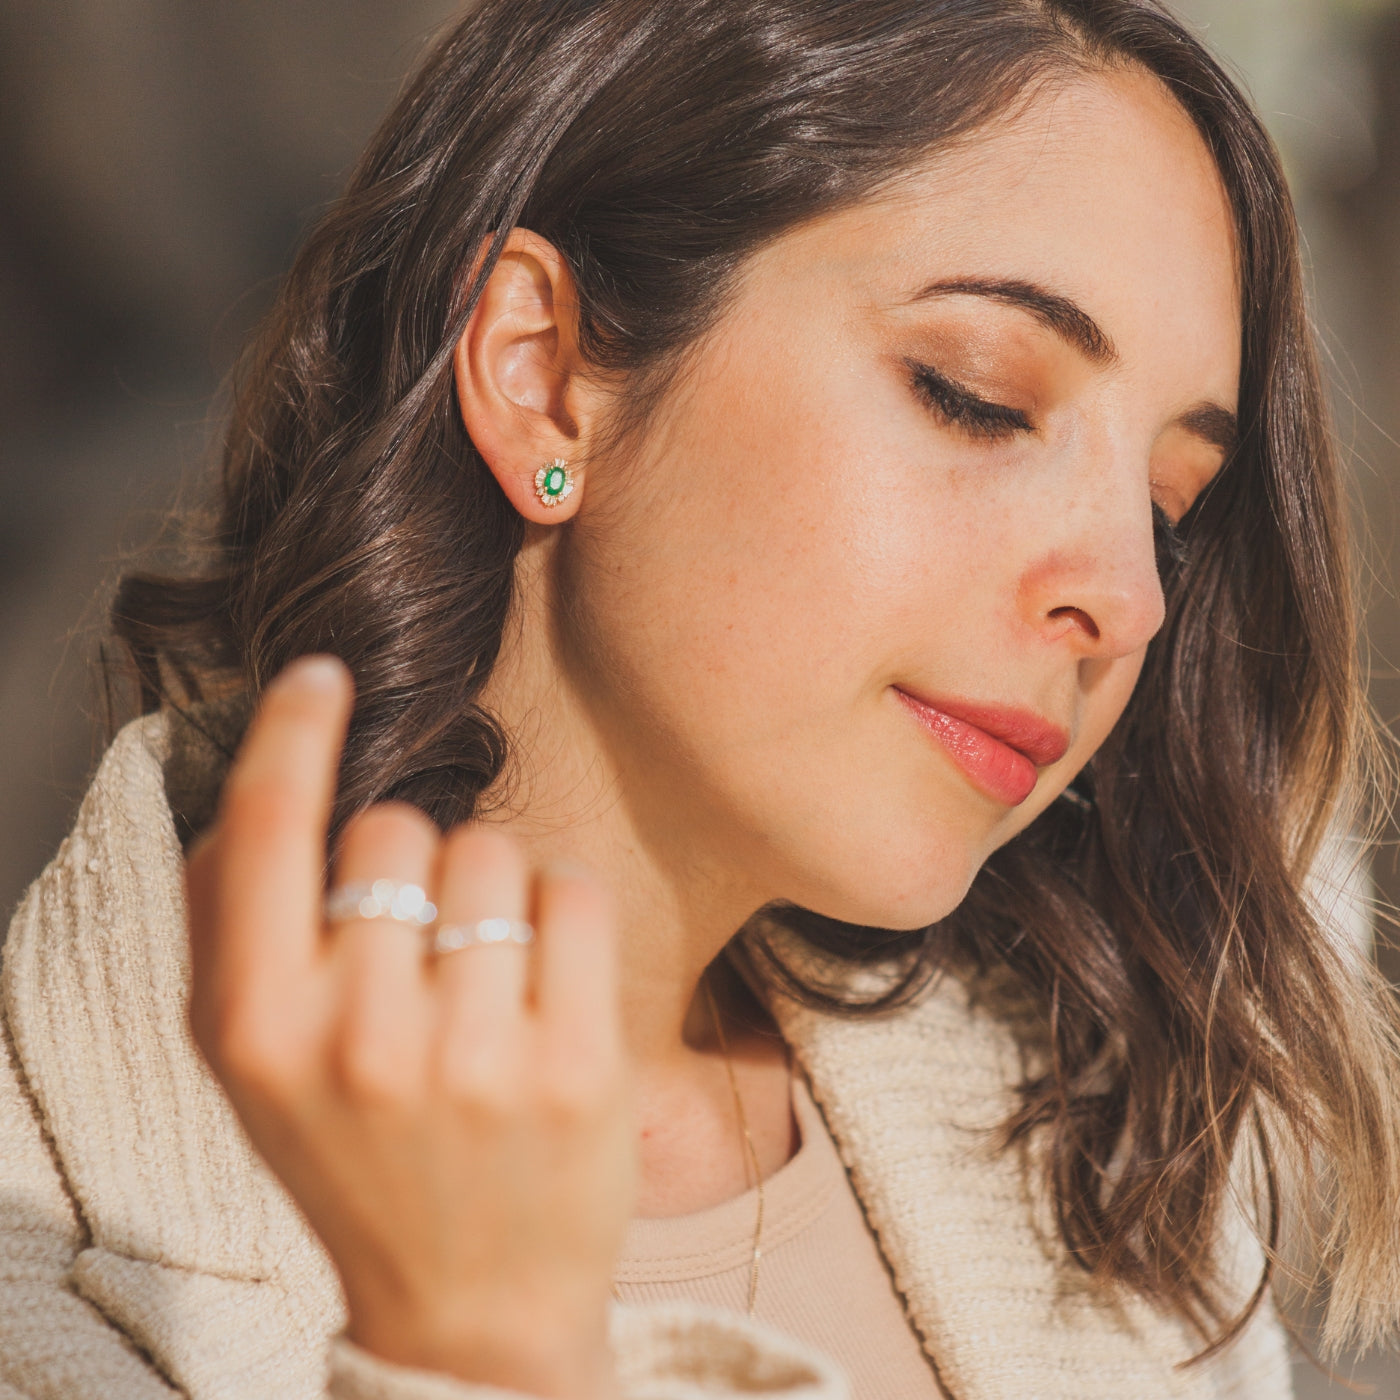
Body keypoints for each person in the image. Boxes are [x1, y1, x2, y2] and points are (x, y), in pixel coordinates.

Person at [4, 0, 1400, 1396]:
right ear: (541, 374)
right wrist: (469, 1355)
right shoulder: (48, 1249)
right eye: (974, 395)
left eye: (1168, 508)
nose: (1129, 595)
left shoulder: (1106, 1173)